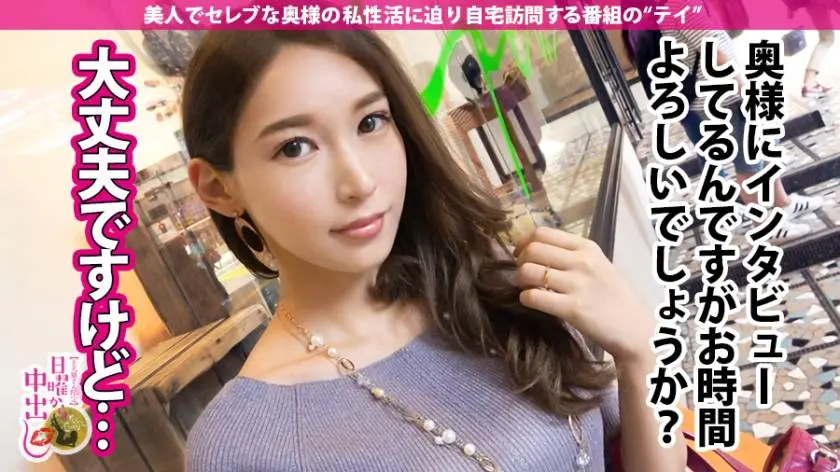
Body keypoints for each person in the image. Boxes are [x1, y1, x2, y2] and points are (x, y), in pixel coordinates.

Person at [181, 31, 687, 471]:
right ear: (218, 188)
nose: (360, 181)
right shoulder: (245, 444)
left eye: (370, 122)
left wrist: (639, 354)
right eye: (295, 146)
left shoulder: (489, 283)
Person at [622, 29, 824, 242]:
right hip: (717, 97)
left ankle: (780, 204)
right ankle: (761, 223)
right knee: (745, 162)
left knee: (756, 148)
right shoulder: (675, 12)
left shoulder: (655, 18)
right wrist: (745, 89)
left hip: (704, 95)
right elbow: (711, 49)